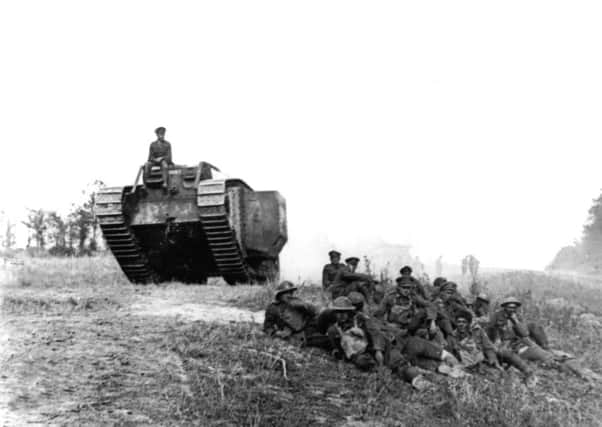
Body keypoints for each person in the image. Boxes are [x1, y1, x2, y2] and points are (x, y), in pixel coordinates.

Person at [326, 296, 436, 390]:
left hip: (376, 346)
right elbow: (337, 348)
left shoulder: (360, 319)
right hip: (360, 354)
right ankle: (384, 372)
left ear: (349, 312)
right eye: (338, 312)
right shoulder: (333, 329)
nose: (341, 315)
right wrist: (340, 354)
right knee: (363, 362)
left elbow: (374, 333)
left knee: (397, 361)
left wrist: (378, 350)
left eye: (344, 312)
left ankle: (418, 379)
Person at [263, 281, 322, 346]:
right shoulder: (273, 308)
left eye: (291, 292)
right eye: (286, 293)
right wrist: (277, 333)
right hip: (294, 335)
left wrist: (304, 305)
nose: (289, 295)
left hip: (307, 329)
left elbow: (314, 312)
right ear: (280, 295)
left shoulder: (297, 302)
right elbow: (267, 327)